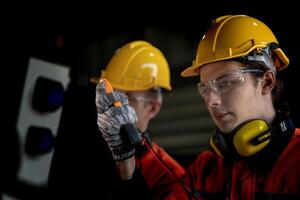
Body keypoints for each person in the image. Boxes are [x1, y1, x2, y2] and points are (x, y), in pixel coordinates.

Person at [96, 15, 300, 199]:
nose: (211, 100)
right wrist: (126, 159)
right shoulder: (206, 169)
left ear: (266, 81)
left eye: (226, 82)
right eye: (205, 88)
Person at [96, 40, 185, 199]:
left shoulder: (170, 178)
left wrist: (128, 176)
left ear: (152, 108)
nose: (114, 106)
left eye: (126, 98)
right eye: (111, 94)